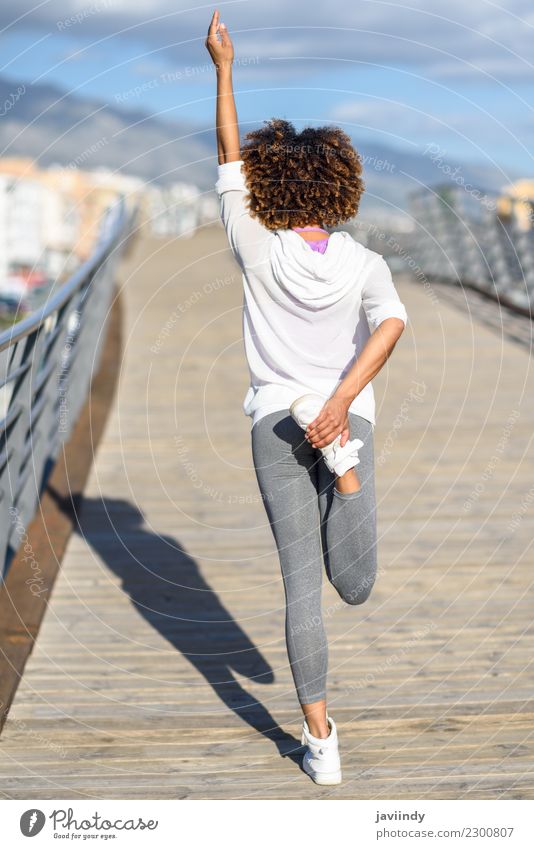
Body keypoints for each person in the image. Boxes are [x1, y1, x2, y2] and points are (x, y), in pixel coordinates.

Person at [205, 10, 407, 785]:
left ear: (268, 185)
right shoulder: (363, 261)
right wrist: (342, 401)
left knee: (303, 589)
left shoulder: (254, 243)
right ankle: (344, 464)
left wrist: (225, 67)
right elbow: (390, 324)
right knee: (356, 584)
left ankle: (320, 742)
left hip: (275, 420)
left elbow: (228, 151)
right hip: (344, 414)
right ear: (342, 184)